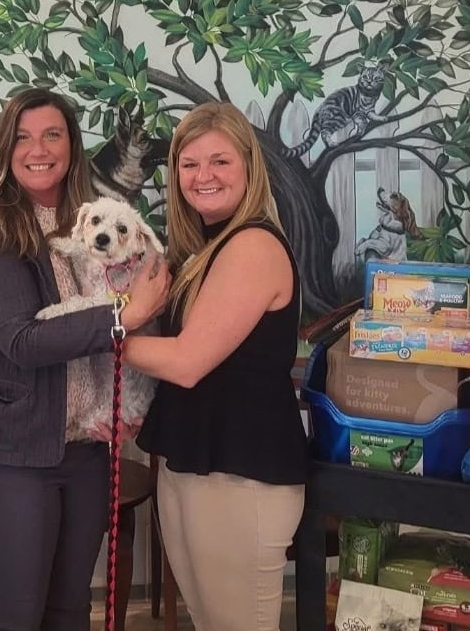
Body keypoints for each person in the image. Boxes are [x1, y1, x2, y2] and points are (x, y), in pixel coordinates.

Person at [0, 87, 170, 631]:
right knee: (20, 615)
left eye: (52, 134)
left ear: (72, 145)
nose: (38, 148)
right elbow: (22, 341)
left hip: (86, 448)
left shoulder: (85, 222)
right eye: (22, 137)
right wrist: (125, 316)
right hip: (14, 452)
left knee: (71, 611)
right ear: (4, 149)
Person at [126, 102, 307, 631]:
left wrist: (92, 335)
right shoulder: (204, 246)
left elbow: (185, 363)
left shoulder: (251, 245)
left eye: (220, 162)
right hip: (195, 462)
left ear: (249, 167)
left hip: (241, 474)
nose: (203, 176)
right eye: (189, 164)